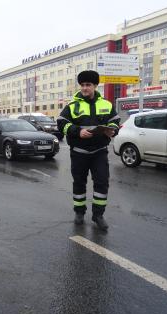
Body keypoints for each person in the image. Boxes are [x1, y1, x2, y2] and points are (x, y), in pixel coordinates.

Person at [57, 70, 120, 230]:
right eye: (83, 85)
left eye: (88, 85)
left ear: (95, 86)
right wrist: (77, 131)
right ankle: (79, 212)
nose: (85, 88)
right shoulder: (72, 106)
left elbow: (115, 121)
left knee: (101, 183)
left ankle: (98, 215)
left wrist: (112, 130)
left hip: (99, 151)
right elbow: (62, 123)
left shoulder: (106, 104)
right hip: (79, 152)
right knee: (79, 183)